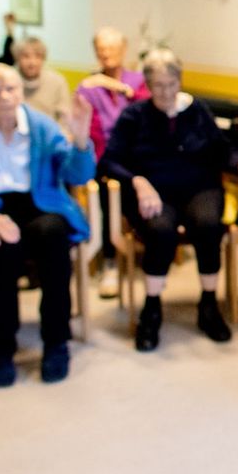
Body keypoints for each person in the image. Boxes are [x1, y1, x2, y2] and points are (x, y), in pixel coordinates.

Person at [99, 49, 238, 351]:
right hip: (154, 193)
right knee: (161, 230)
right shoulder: (135, 116)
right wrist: (138, 181)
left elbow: (221, 149)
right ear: (147, 85)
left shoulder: (196, 109)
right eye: (158, 85)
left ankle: (209, 305)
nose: (166, 92)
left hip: (199, 187)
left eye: (172, 84)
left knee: (209, 225)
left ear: (180, 81)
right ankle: (151, 308)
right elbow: (109, 161)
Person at [0, 64, 93, 387]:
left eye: (11, 88)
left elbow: (77, 176)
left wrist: (81, 141)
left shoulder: (42, 127)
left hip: (40, 202)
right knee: (1, 250)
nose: (4, 96)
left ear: (21, 92)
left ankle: (56, 342)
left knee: (54, 237)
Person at [75, 27, 149, 299]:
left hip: (139, 155)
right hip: (106, 158)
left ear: (124, 49)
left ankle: (149, 246)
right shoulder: (87, 87)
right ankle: (110, 261)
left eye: (112, 49)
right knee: (108, 195)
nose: (106, 54)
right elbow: (90, 131)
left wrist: (117, 87)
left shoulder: (139, 80)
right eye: (101, 49)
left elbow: (149, 108)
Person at [13, 36, 72, 129]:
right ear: (17, 58)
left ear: (43, 58)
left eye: (38, 56)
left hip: (49, 136)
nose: (32, 63)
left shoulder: (57, 81)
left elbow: (65, 118)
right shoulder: (7, 80)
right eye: (26, 56)